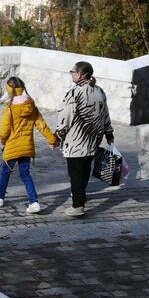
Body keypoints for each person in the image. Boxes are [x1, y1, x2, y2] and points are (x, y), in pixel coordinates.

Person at [0, 76, 58, 213]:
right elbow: (42, 126)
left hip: (12, 146)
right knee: (25, 174)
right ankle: (34, 202)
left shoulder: (9, 109)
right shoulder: (32, 107)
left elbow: (4, 131)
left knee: (5, 172)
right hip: (27, 147)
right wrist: (53, 140)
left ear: (9, 90)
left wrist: (4, 142)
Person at [55, 61, 114, 217]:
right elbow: (105, 114)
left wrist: (58, 135)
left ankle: (78, 205)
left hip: (76, 140)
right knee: (85, 169)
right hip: (93, 139)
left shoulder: (74, 93)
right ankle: (79, 195)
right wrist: (109, 132)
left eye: (73, 72)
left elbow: (65, 117)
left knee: (75, 172)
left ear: (82, 74)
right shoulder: (99, 91)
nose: (71, 74)